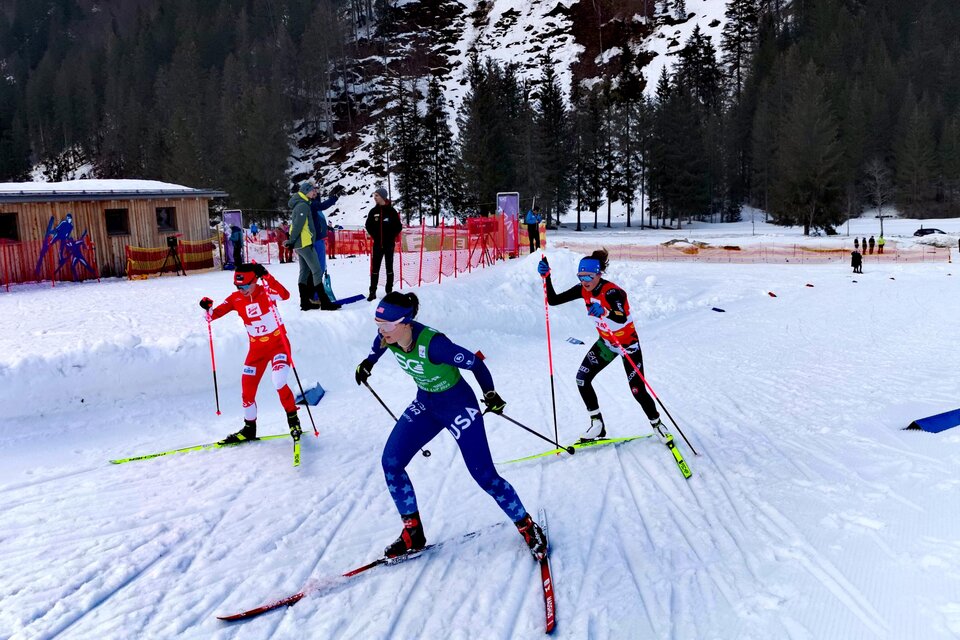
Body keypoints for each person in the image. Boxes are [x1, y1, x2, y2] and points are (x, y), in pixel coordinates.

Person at [353, 292, 547, 561]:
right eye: (378, 325)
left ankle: (527, 526)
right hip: (426, 404)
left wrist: (490, 394)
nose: (381, 331)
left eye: (386, 326)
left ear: (406, 322)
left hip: (458, 405)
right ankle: (413, 532)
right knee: (391, 462)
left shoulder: (435, 345)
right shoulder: (389, 337)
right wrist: (367, 364)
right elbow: (377, 348)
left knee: (484, 475)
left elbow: (475, 363)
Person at [538, 249, 674, 446]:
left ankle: (657, 424)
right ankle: (597, 424)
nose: (585, 281)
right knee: (582, 379)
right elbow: (553, 300)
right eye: (581, 276)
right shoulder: (582, 289)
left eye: (589, 276)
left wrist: (605, 311)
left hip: (628, 346)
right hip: (607, 344)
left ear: (599, 273)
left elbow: (621, 316)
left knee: (637, 390)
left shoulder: (612, 292)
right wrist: (547, 277)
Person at [199, 264, 301, 444]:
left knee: (278, 380)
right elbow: (212, 315)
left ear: (255, 281)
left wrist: (267, 276)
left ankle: (294, 422)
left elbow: (285, 295)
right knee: (247, 389)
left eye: (245, 286)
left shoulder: (266, 292)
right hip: (256, 350)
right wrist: (207, 308)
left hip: (278, 344)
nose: (242, 290)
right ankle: (249, 429)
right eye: (238, 286)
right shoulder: (235, 298)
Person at [286, 181, 340, 311]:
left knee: (304, 272)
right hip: (305, 243)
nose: (314, 192)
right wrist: (291, 240)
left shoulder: (305, 203)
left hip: (303, 243)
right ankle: (324, 302)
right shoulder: (303, 205)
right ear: (306, 191)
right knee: (316, 270)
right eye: (312, 190)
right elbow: (298, 225)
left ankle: (305, 302)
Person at [364, 187, 403, 301]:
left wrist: (390, 236)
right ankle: (372, 292)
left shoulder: (391, 211)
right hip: (377, 245)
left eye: (376, 195)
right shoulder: (373, 211)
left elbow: (398, 226)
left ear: (382, 197)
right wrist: (375, 235)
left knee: (389, 268)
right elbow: (368, 225)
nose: (374, 198)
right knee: (375, 269)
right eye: (374, 195)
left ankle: (389, 291)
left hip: (389, 245)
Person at [310, 184, 347, 294]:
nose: (316, 192)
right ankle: (316, 294)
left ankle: (315, 293)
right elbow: (322, 205)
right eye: (314, 190)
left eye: (317, 190)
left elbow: (319, 203)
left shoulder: (314, 205)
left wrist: (319, 193)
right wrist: (334, 197)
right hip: (315, 240)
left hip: (318, 239)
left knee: (319, 267)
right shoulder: (312, 205)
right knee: (318, 268)